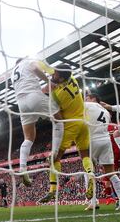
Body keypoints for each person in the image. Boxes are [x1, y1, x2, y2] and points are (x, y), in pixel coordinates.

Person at [38, 64, 94, 203]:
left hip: (70, 125)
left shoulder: (57, 93)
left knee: (55, 158)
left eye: (55, 74)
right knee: (84, 155)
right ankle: (91, 174)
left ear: (61, 77)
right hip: (84, 121)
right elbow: (52, 71)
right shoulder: (72, 78)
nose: (52, 75)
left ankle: (52, 190)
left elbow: (59, 116)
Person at [11, 58, 63, 186]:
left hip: (21, 104)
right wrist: (48, 81)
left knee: (28, 138)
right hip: (33, 95)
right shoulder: (27, 61)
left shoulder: (12, 73)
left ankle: (23, 167)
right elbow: (35, 68)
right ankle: (54, 154)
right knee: (58, 120)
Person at [84, 93, 120, 211]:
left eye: (87, 98)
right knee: (111, 173)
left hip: (92, 140)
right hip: (106, 141)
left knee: (88, 171)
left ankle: (93, 202)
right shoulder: (106, 112)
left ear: (93, 99)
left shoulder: (87, 105)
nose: (85, 99)